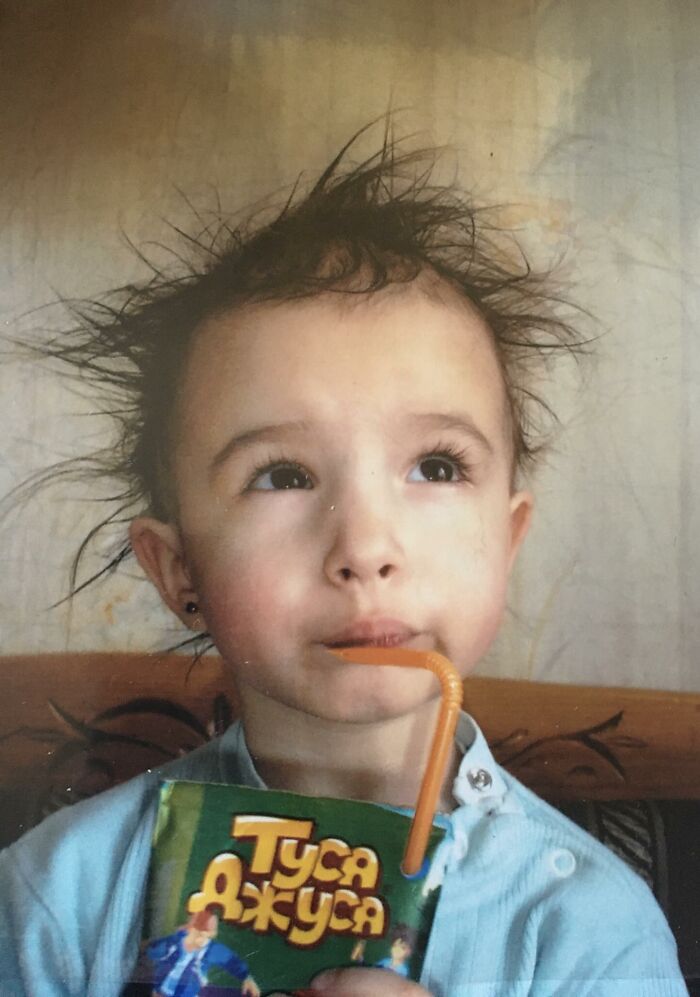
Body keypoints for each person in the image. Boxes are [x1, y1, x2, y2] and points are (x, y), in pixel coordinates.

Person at [0, 126, 688, 995]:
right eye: (282, 475)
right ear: (179, 572)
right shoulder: (58, 898)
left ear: (507, 541)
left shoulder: (587, 933)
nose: (365, 546)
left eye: (436, 466)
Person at [144, 910, 259, 997]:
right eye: (198, 932)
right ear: (190, 928)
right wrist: (172, 942)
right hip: (160, 992)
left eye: (206, 935)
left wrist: (246, 977)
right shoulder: (174, 942)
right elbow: (152, 952)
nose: (201, 938)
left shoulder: (210, 949)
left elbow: (230, 960)